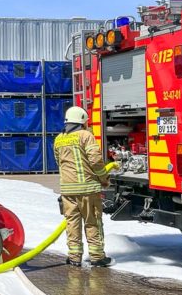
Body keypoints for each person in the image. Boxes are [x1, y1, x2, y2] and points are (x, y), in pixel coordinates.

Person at [54, 106, 113, 267]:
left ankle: (74, 257)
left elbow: (58, 161)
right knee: (92, 221)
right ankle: (97, 257)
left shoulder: (59, 138)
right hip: (87, 189)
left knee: (72, 223)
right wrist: (104, 178)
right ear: (82, 120)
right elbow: (95, 160)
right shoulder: (86, 136)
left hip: (67, 190)